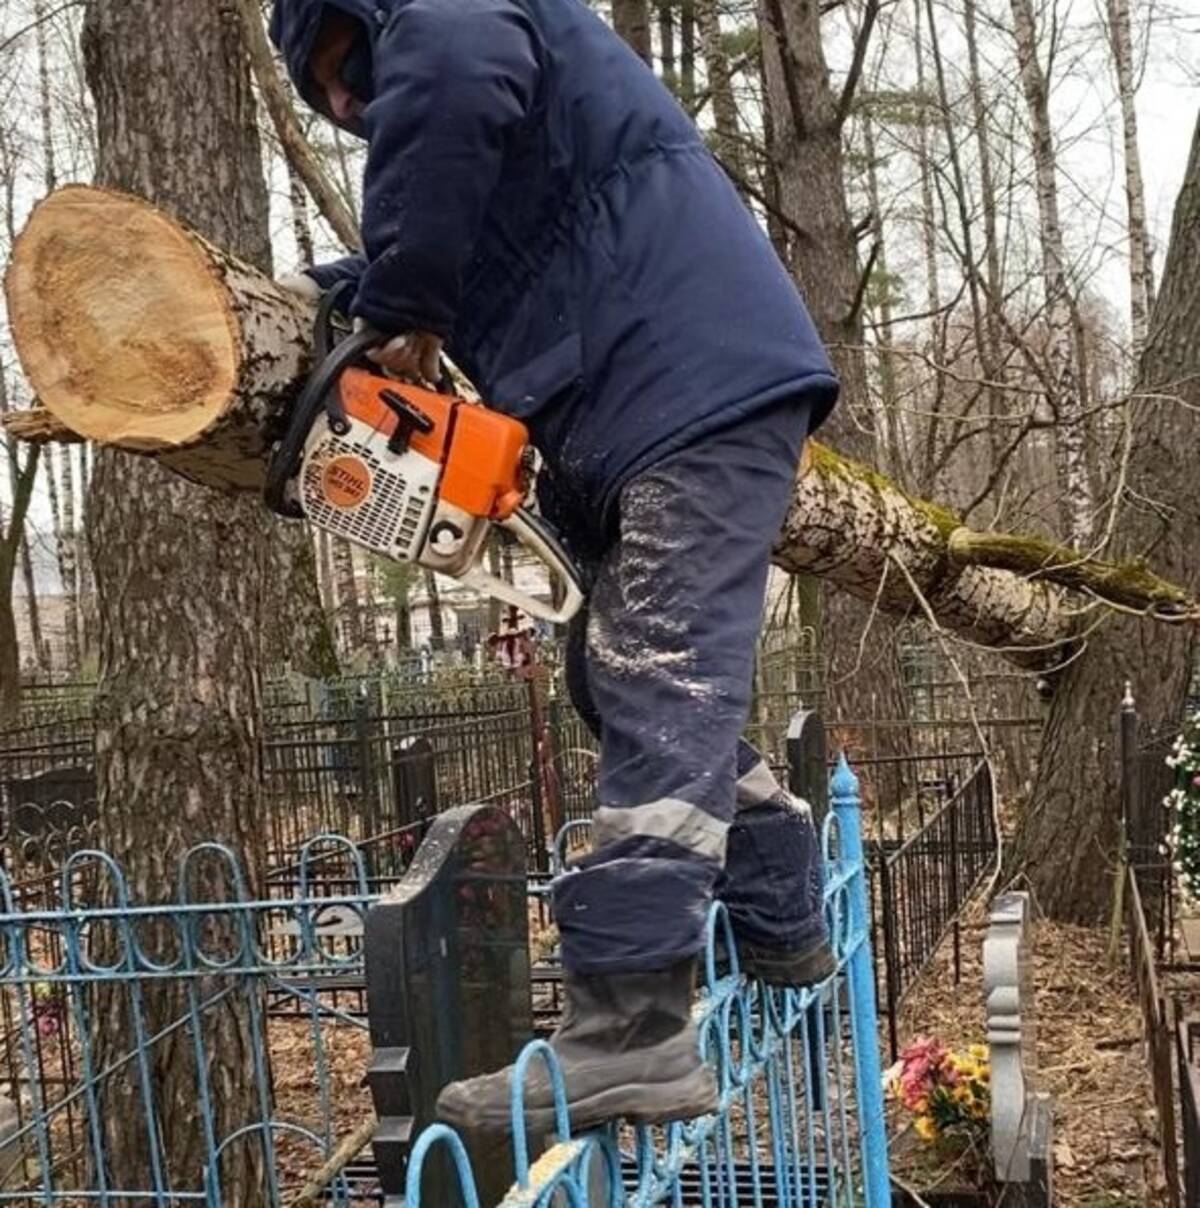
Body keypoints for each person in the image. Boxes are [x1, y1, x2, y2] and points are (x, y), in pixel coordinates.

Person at [270, 0, 840, 1136]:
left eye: (348, 66)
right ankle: (781, 900)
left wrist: (405, 300)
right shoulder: (479, 106)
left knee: (656, 668)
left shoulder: (452, 23)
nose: (351, 105)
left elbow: (450, 68)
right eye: (328, 94)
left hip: (689, 374)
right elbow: (480, 206)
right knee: (613, 670)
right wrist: (352, 288)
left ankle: (633, 1023)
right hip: (649, 387)